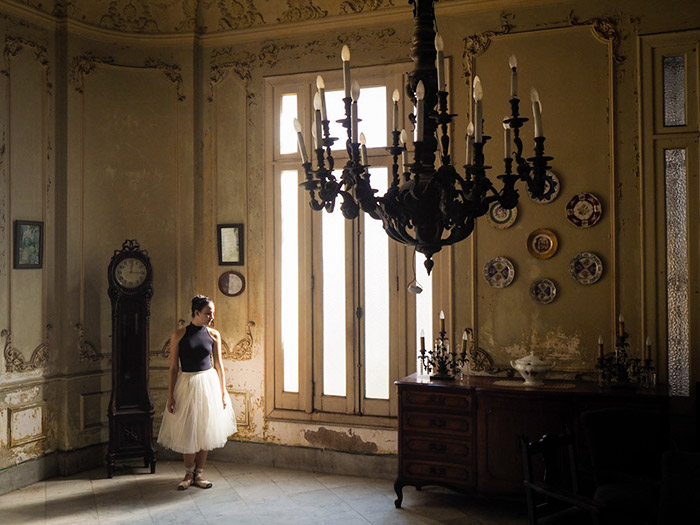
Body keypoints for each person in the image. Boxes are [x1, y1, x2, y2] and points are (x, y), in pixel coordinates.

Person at [157, 295, 237, 490]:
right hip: (187, 384)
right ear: (196, 313)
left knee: (205, 429)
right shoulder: (179, 335)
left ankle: (199, 474)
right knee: (188, 430)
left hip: (208, 382)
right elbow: (173, 367)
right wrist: (170, 395)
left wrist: (223, 391)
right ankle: (188, 473)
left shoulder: (213, 334)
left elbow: (219, 365)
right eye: (208, 313)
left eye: (213, 313)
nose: (212, 317)